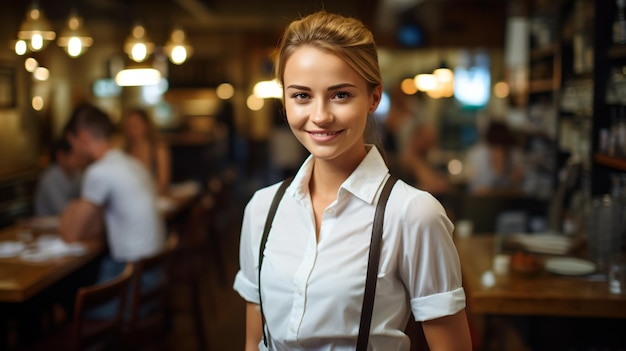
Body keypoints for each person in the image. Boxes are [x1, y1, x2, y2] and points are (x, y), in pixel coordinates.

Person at [233, 11, 471, 351]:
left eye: (340, 95)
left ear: (373, 97)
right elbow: (253, 341)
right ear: (284, 100)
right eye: (301, 95)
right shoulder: (261, 209)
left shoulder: (413, 214)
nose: (320, 116)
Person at [58, 104, 166, 312]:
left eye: (71, 142)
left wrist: (72, 205)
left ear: (82, 137)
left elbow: (71, 234)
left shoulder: (99, 172)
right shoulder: (131, 163)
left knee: (73, 308)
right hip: (153, 278)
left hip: (134, 282)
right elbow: (96, 227)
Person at [464, 119, 526, 195]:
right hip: (483, 200)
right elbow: (476, 187)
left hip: (506, 201)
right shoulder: (479, 154)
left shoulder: (515, 154)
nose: (498, 152)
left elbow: (518, 186)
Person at [121, 108, 171, 195]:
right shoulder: (125, 152)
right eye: (129, 126)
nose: (132, 130)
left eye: (136, 126)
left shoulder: (158, 149)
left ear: (146, 125)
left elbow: (163, 184)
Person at [33, 137, 85, 216]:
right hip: (48, 224)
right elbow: (62, 209)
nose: (79, 159)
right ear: (61, 156)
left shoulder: (76, 174)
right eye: (75, 155)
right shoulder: (49, 178)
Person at [399, 120, 451, 197]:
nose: (430, 145)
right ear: (416, 137)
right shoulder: (410, 159)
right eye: (427, 140)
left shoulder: (425, 159)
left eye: (432, 141)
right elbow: (433, 185)